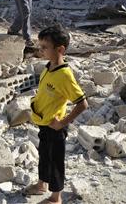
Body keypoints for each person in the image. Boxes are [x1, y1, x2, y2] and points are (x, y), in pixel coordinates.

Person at [24, 25, 88, 204]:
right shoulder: (48, 67)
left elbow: (82, 103)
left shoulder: (65, 75)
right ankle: (41, 185)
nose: (40, 50)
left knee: (55, 162)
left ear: (60, 49)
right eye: (40, 46)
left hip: (55, 127)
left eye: (44, 47)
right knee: (44, 157)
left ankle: (55, 197)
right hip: (44, 124)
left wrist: (63, 123)